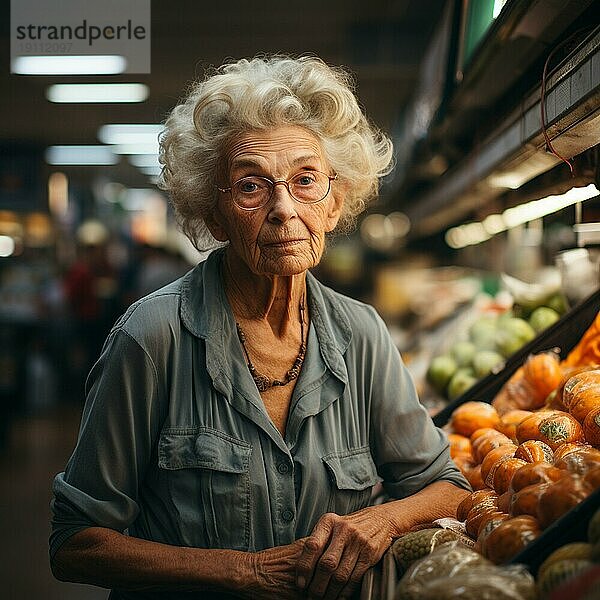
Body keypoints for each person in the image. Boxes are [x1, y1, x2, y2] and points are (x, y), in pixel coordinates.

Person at [50, 55, 470, 600]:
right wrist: (245, 572)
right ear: (215, 212)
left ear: (335, 200)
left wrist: (381, 522)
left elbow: (447, 488)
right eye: (251, 186)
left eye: (305, 180)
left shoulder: (361, 334)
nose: (283, 209)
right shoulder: (152, 338)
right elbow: (75, 543)